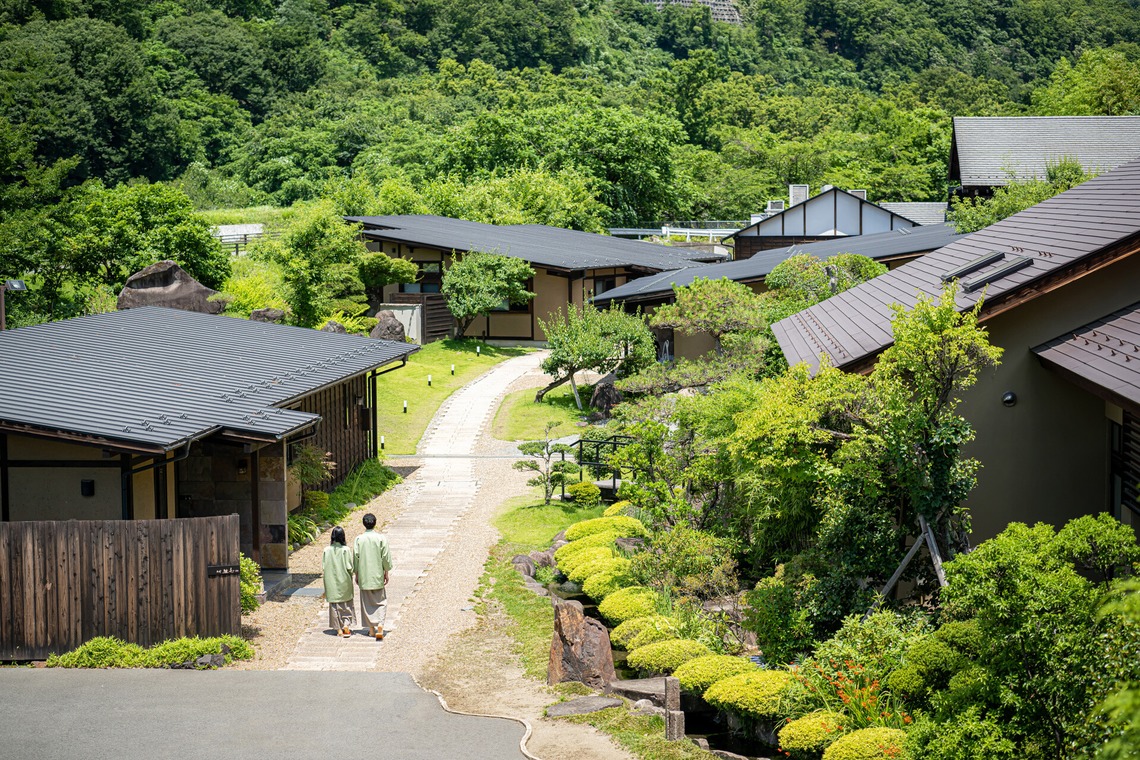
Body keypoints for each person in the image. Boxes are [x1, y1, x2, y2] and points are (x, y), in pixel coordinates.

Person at [354, 512, 393, 641]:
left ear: (364, 524)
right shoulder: (381, 538)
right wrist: (386, 571)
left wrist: (356, 573)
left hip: (364, 574)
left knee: (366, 602)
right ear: (375, 523)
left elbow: (356, 558)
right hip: (377, 574)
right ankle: (380, 625)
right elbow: (385, 557)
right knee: (381, 601)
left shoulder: (359, 539)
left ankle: (371, 629)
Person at [322, 526, 355, 637]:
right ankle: (346, 624)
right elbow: (350, 567)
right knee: (346, 603)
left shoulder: (326, 550)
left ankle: (338, 629)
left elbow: (323, 566)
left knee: (334, 605)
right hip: (344, 579)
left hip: (331, 580)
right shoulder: (346, 550)